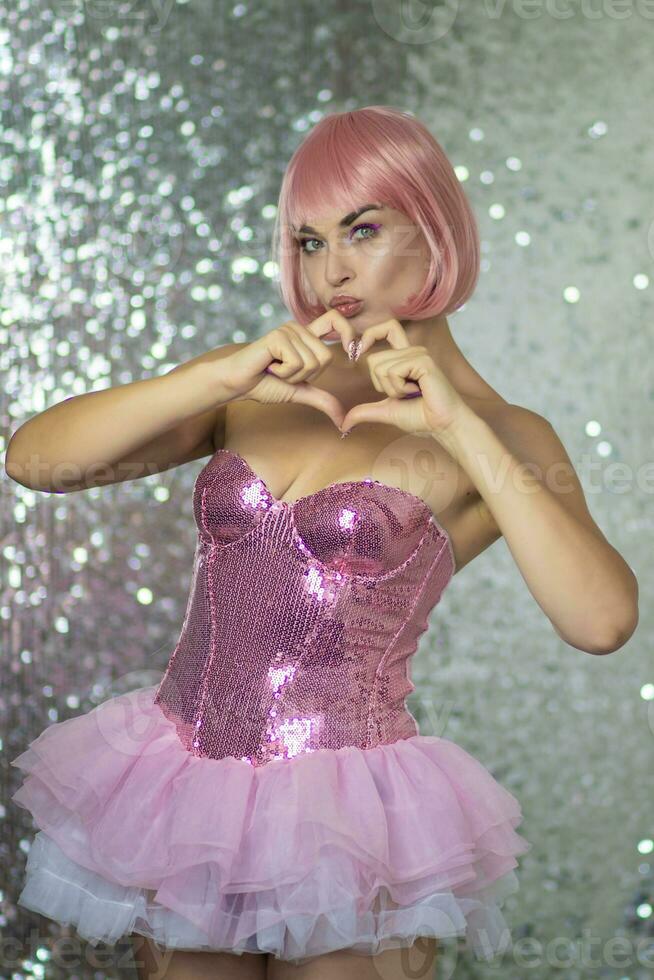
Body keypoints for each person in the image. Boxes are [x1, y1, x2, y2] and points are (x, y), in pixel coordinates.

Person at [7, 106, 638, 980]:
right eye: (308, 241)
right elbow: (36, 461)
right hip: (190, 785)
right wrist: (212, 373)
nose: (332, 268)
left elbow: (602, 620)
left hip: (350, 807)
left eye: (363, 229)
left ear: (437, 226)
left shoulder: (498, 432)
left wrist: (457, 425)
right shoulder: (258, 388)